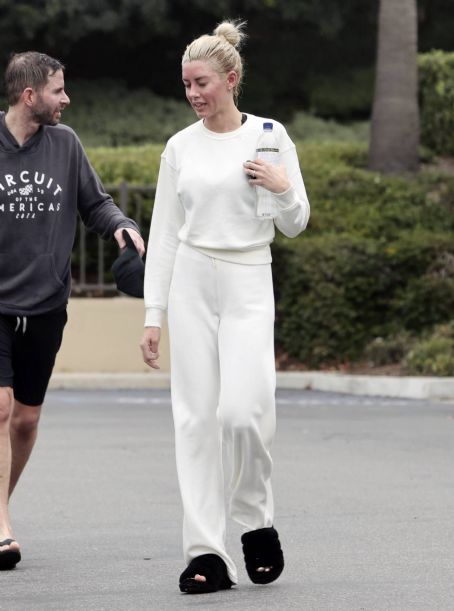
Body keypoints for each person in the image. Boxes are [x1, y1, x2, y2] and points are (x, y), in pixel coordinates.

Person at [140, 20, 310, 594]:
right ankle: (206, 552)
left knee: (243, 412)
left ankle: (256, 521)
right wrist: (153, 315)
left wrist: (283, 187)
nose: (193, 94)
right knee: (194, 420)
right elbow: (164, 234)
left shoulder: (269, 134)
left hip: (247, 279)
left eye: (202, 83)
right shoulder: (179, 147)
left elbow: (295, 222)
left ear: (230, 79)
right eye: (186, 84)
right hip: (190, 281)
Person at [0, 51, 145, 570]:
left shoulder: (65, 145)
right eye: (59, 90)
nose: (67, 99)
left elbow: (96, 203)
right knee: (0, 407)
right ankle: (2, 528)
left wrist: (120, 225)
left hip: (45, 304)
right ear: (29, 95)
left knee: (26, 418)